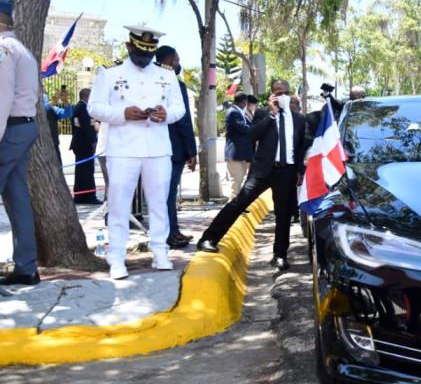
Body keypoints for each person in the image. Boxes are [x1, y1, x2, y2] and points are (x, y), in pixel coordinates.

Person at [88, 25, 185, 279]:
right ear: (129, 46)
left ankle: (160, 251)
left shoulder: (167, 75)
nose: (144, 58)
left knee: (159, 203)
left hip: (158, 147)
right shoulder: (110, 74)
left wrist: (166, 115)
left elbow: (179, 109)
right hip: (122, 148)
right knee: (119, 204)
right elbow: (94, 108)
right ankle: (117, 257)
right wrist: (121, 114)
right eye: (140, 52)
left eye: (149, 53)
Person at [198, 79, 308, 271]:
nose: (280, 96)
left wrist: (299, 170)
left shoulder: (298, 118)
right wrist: (271, 115)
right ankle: (208, 238)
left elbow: (299, 147)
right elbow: (252, 135)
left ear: (289, 94)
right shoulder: (263, 113)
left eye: (284, 92)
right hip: (262, 170)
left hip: (286, 171)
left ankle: (280, 255)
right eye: (276, 92)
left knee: (283, 215)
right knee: (239, 203)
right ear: (271, 95)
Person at [0, 0, 41, 286]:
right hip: (22, 128)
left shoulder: (3, 49)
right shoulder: (21, 49)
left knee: (17, 199)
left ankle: (26, 265)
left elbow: (2, 98)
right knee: (17, 200)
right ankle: (26, 267)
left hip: (9, 129)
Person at [155, 46, 197, 249]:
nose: (179, 63)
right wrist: (192, 151)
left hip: (152, 146)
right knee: (168, 193)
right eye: (177, 59)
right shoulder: (175, 84)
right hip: (174, 149)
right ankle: (170, 233)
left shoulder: (151, 81)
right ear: (171, 60)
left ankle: (171, 230)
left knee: (161, 194)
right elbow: (184, 119)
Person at [70, 88, 101, 205]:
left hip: (80, 144)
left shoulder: (78, 107)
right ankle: (89, 195)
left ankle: (80, 195)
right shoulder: (83, 108)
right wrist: (93, 142)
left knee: (81, 171)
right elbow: (87, 127)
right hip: (84, 144)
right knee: (87, 171)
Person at [224, 92, 254, 200]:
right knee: (237, 180)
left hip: (242, 154)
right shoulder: (233, 112)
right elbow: (243, 128)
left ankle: (238, 206)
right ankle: (232, 207)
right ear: (244, 102)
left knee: (241, 180)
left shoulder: (241, 112)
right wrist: (257, 129)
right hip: (235, 153)